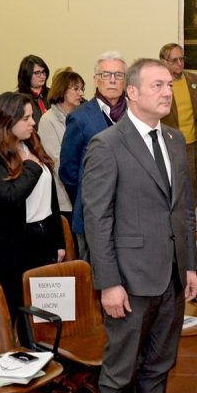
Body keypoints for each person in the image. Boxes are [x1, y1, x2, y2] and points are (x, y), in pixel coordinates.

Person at [81, 58, 197, 393]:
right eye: (157, 85)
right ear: (131, 92)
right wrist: (108, 282)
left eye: (169, 85)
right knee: (120, 371)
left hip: (170, 275)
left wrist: (189, 264)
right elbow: (97, 220)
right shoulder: (107, 144)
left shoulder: (173, 139)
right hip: (129, 279)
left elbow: (184, 210)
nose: (167, 92)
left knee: (158, 365)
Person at [0, 93, 64, 332]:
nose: (33, 122)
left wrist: (58, 240)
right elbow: (9, 197)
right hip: (13, 246)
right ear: (7, 121)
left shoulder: (31, 144)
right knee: (17, 311)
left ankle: (45, 357)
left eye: (32, 116)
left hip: (43, 237)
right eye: (26, 118)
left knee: (42, 312)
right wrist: (32, 168)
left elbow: (51, 197)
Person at [61, 51, 128, 260]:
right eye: (106, 75)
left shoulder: (136, 114)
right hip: (92, 214)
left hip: (130, 216)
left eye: (118, 75)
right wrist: (87, 194)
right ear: (95, 80)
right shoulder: (80, 117)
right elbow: (68, 170)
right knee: (94, 280)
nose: (112, 80)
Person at [158, 43, 197, 207]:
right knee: (169, 193)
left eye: (182, 58)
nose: (180, 63)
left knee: (191, 194)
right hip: (168, 146)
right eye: (174, 60)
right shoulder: (157, 84)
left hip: (191, 146)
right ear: (163, 61)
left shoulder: (195, 81)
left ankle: (191, 230)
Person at [38, 68, 84, 218]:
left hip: (84, 189)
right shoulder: (48, 120)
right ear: (62, 90)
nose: (81, 93)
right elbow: (57, 161)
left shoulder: (81, 116)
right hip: (64, 194)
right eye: (76, 89)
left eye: (82, 89)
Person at [15, 55, 51, 125]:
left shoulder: (53, 94)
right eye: (37, 73)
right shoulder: (17, 99)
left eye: (44, 72)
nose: (42, 76)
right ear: (26, 74)